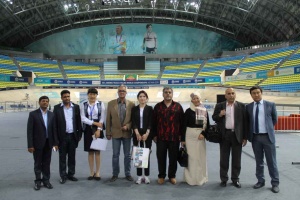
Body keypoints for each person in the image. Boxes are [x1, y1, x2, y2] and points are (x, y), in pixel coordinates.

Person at [245, 86, 279, 193]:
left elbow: (274, 119)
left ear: (261, 93)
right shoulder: (249, 107)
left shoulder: (270, 105)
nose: (256, 95)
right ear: (251, 95)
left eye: (258, 92)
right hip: (255, 138)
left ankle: (275, 183)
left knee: (271, 162)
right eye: (254, 93)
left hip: (268, 138)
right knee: (258, 161)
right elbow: (247, 122)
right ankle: (260, 180)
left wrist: (267, 129)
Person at [212, 88, 247, 188]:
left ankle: (235, 179)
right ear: (225, 95)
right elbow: (214, 118)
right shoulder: (220, 106)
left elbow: (245, 123)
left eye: (233, 93)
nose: (231, 95)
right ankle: (224, 179)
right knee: (224, 159)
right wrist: (220, 114)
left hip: (237, 136)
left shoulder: (241, 106)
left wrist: (245, 137)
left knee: (237, 159)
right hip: (224, 135)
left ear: (235, 94)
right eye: (229, 94)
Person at [152, 87, 184, 185]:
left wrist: (182, 136)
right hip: (161, 137)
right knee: (161, 157)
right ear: (163, 94)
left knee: (173, 158)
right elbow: (153, 122)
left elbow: (182, 122)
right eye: (166, 92)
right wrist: (154, 135)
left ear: (172, 94)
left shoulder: (178, 106)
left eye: (170, 92)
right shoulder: (157, 106)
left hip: (174, 137)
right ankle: (161, 175)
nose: (168, 94)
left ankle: (172, 176)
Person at [27, 96, 58, 190]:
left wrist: (55, 143)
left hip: (49, 143)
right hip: (37, 144)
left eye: (46, 101)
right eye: (43, 101)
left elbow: (54, 130)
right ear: (39, 102)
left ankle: (46, 181)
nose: (45, 102)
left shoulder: (52, 114)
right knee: (37, 163)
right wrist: (30, 145)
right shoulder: (33, 114)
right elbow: (30, 131)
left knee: (46, 163)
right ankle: (37, 181)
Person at [106, 84, 135, 182]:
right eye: (120, 91)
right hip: (115, 133)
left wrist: (128, 126)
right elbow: (108, 119)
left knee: (127, 155)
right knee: (115, 155)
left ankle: (128, 173)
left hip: (127, 134)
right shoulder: (111, 104)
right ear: (118, 92)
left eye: (123, 91)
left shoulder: (132, 104)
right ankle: (115, 174)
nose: (122, 92)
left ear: (126, 92)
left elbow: (133, 120)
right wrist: (108, 133)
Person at [53, 90, 82, 184]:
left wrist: (79, 135)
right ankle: (63, 175)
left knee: (72, 157)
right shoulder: (57, 108)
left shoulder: (76, 107)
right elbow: (54, 125)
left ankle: (71, 174)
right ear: (61, 98)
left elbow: (78, 122)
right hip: (62, 137)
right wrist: (55, 140)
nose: (67, 98)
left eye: (68, 96)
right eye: (65, 97)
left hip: (73, 136)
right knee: (62, 158)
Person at [181, 92, 210, 186]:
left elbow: (207, 125)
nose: (196, 100)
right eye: (194, 99)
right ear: (191, 100)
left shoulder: (204, 110)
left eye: (197, 98)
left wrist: (203, 134)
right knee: (191, 158)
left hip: (200, 137)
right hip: (189, 137)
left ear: (200, 99)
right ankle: (190, 179)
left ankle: (201, 178)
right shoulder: (188, 111)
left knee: (200, 157)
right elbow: (183, 125)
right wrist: (183, 140)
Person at [80, 88, 105, 181]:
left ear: (96, 95)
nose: (92, 96)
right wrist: (93, 123)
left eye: (94, 94)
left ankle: (98, 172)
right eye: (90, 94)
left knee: (97, 152)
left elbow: (102, 118)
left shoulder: (101, 104)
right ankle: (91, 172)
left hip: (99, 129)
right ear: (88, 95)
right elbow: (82, 118)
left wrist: (99, 129)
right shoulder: (83, 104)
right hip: (87, 129)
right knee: (90, 152)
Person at [131, 90, 153, 184]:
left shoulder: (150, 109)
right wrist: (137, 133)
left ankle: (146, 176)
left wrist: (147, 133)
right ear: (138, 98)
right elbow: (133, 122)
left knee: (146, 156)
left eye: (144, 96)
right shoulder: (134, 109)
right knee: (138, 156)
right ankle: (139, 176)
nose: (142, 98)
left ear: (146, 98)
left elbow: (151, 122)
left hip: (147, 135)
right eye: (140, 96)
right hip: (137, 134)